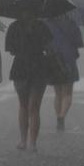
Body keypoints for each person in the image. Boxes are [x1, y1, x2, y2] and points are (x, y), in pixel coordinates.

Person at [5, 10, 53, 152]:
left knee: (23, 105)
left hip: (20, 67)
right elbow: (49, 48)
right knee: (35, 107)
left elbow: (11, 50)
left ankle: (23, 140)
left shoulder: (14, 26)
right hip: (39, 67)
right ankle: (33, 143)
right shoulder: (42, 26)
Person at [43, 15, 84, 132]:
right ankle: (62, 117)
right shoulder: (71, 23)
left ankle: (58, 116)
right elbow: (78, 43)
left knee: (58, 93)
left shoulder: (46, 23)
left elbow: (44, 43)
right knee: (67, 93)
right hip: (68, 60)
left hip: (53, 60)